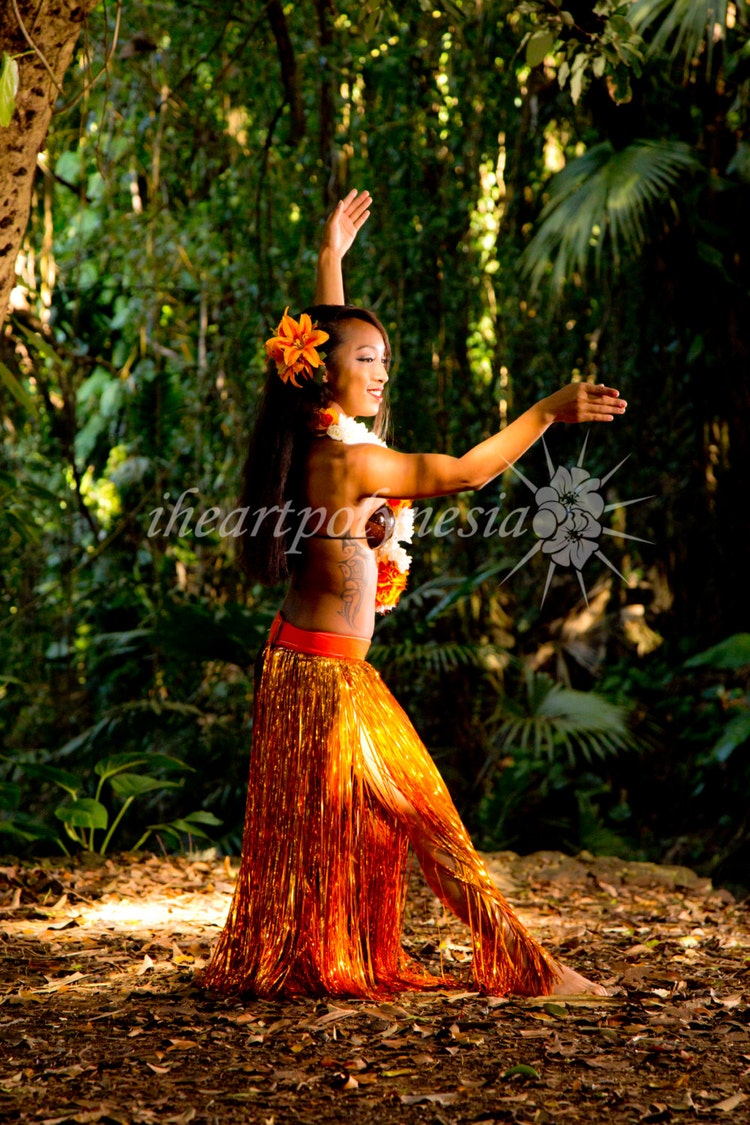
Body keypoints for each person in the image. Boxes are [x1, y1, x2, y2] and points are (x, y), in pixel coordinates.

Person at [203, 190, 626, 1000]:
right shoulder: (349, 462)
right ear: (324, 373)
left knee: (405, 826)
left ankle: (487, 962)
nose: (381, 370)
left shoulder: (320, 435)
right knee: (432, 822)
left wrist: (331, 255)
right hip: (323, 682)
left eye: (383, 360)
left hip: (318, 673)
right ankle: (534, 971)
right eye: (367, 360)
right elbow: (463, 471)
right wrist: (547, 410)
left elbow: (326, 340)